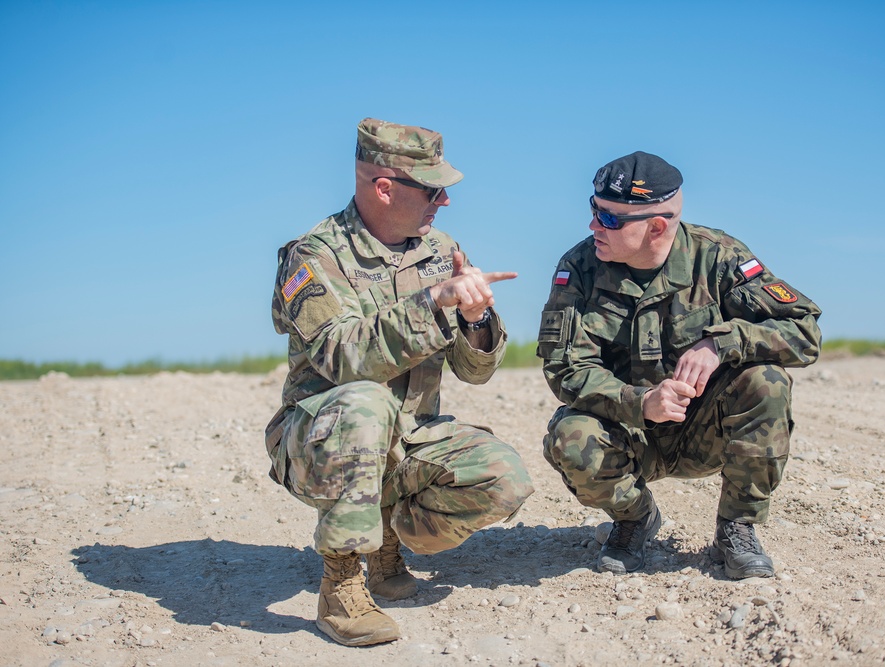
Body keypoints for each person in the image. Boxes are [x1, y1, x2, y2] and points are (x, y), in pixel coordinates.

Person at [265, 118, 534, 647]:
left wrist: (476, 320)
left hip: (408, 436)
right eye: (432, 188)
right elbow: (342, 358)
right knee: (366, 400)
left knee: (503, 477)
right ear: (382, 187)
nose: (444, 201)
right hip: (321, 440)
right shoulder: (314, 256)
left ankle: (386, 538)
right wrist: (433, 303)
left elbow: (476, 371)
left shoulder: (440, 250)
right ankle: (340, 582)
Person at [537, 151, 821, 579]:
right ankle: (634, 519)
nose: (594, 225)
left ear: (656, 226)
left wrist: (723, 342)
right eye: (594, 210)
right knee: (570, 434)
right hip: (630, 431)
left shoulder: (718, 259)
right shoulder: (579, 267)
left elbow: (804, 331)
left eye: (610, 219)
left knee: (766, 382)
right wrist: (640, 401)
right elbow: (565, 367)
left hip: (703, 430)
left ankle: (736, 529)